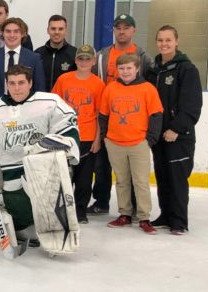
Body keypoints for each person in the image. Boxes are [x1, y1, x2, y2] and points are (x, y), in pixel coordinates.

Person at [0, 65, 80, 254]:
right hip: (10, 171)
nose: (17, 88)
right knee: (17, 200)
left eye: (21, 82)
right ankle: (23, 224)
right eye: (12, 83)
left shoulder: (50, 102)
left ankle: (54, 226)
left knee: (47, 190)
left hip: (42, 166)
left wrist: (60, 144)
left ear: (30, 83)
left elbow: (68, 131)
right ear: (6, 84)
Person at [87, 12, 153, 215]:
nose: (122, 31)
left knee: (132, 171)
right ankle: (101, 202)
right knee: (102, 165)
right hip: (107, 116)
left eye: (126, 28)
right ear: (113, 30)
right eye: (118, 28)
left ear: (134, 30)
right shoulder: (102, 55)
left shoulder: (142, 56)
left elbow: (149, 87)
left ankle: (133, 207)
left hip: (131, 121)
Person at [146, 26, 202, 235]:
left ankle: (178, 220)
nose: (164, 44)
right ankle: (166, 215)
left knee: (177, 178)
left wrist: (176, 129)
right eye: (160, 40)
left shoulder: (187, 69)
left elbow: (192, 105)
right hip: (159, 135)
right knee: (163, 177)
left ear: (176, 41)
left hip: (179, 136)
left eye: (168, 40)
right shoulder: (153, 71)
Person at [99, 53, 163, 233]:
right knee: (122, 181)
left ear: (137, 69)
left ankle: (144, 217)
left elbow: (156, 115)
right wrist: (105, 136)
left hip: (138, 143)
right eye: (122, 68)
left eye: (129, 68)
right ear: (117, 70)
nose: (125, 71)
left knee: (141, 181)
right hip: (115, 142)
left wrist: (150, 139)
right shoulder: (111, 88)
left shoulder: (147, 88)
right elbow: (103, 114)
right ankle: (125, 214)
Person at [51, 44, 105, 224]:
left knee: (84, 178)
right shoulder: (64, 79)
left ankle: (80, 211)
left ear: (93, 61)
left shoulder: (98, 84)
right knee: (64, 175)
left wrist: (97, 139)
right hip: (65, 135)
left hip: (87, 137)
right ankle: (61, 209)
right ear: (75, 60)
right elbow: (54, 107)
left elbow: (99, 113)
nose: (84, 62)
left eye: (87, 59)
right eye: (81, 58)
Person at [0, 17, 47, 112]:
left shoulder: (34, 58)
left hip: (26, 112)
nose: (11, 35)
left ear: (23, 34)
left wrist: (36, 112)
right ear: (3, 33)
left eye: (16, 31)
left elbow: (39, 89)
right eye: (8, 31)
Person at [35, 14, 76, 88]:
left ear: (66, 31)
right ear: (48, 30)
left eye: (61, 29)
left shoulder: (75, 54)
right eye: (53, 29)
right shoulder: (37, 54)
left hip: (64, 95)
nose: (57, 32)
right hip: (41, 95)